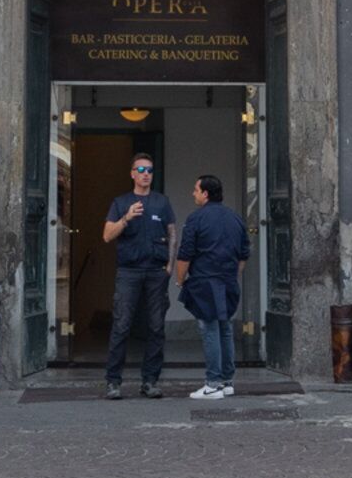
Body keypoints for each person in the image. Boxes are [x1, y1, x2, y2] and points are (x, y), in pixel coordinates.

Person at [98, 155, 176, 401]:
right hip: (129, 272)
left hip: (156, 271)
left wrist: (170, 266)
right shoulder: (121, 202)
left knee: (156, 327)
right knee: (121, 326)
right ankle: (113, 382)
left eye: (150, 170)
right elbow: (107, 236)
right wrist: (126, 218)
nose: (145, 174)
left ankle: (150, 381)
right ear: (132, 173)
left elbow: (172, 233)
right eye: (141, 169)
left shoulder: (162, 202)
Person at [172, 175, 249, 402]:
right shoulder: (235, 218)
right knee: (225, 329)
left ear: (205, 193)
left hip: (206, 281)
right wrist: (233, 275)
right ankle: (227, 381)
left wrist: (179, 279)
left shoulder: (196, 219)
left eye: (196, 189)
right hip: (228, 281)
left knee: (210, 329)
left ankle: (213, 383)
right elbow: (243, 254)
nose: (192, 193)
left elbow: (185, 254)